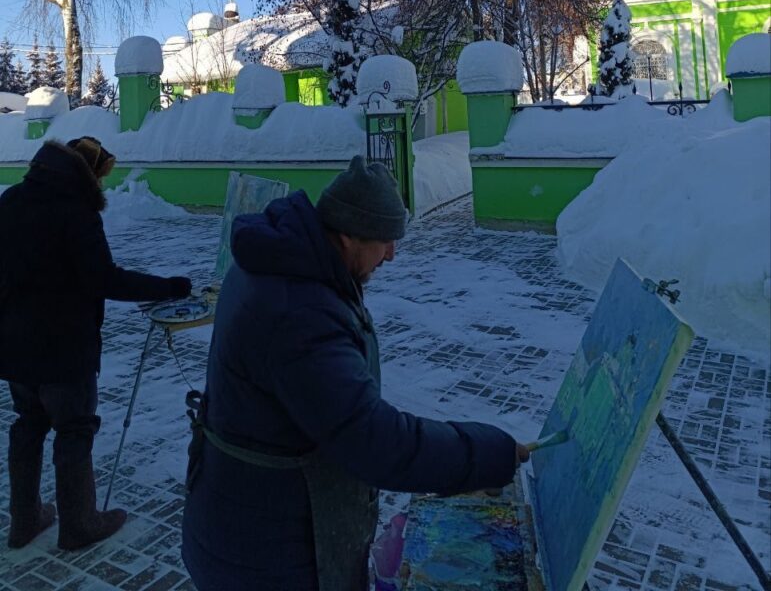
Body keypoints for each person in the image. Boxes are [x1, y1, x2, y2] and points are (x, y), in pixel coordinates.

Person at [182, 155, 529, 591]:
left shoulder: (281, 265)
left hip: (246, 523)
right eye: (385, 240)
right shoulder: (298, 311)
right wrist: (485, 453)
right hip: (266, 552)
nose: (392, 254)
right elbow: (375, 441)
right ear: (347, 235)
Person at [0, 136, 192, 551]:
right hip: (64, 348)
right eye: (100, 176)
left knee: (28, 425)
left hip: (14, 347)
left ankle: (24, 521)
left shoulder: (11, 200)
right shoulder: (76, 210)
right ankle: (79, 525)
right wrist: (169, 287)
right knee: (73, 430)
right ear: (86, 173)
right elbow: (104, 279)